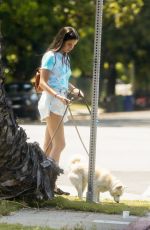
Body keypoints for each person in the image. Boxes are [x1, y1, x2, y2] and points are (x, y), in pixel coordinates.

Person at [38, 26, 83, 195]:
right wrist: (58, 96)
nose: (71, 48)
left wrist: (74, 89)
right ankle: (50, 184)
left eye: (73, 45)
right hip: (51, 102)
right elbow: (43, 82)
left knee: (48, 146)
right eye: (69, 44)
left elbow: (63, 81)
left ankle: (42, 182)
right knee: (60, 144)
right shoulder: (50, 56)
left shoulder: (65, 58)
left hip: (60, 102)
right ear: (61, 41)